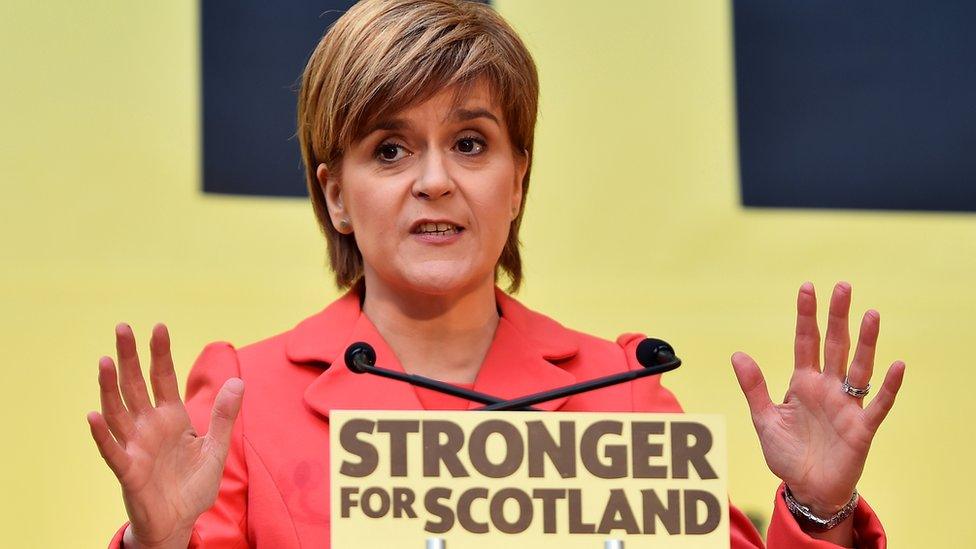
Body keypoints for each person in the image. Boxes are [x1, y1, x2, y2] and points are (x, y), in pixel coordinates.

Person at [86, 1, 905, 547]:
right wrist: (156, 542)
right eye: (390, 149)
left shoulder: (621, 387)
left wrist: (814, 508)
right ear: (336, 194)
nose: (435, 180)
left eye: (471, 143)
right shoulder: (244, 393)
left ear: (517, 180)